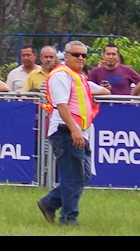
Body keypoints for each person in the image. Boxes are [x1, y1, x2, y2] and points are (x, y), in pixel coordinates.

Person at [38, 42, 98, 227]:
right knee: (74, 176)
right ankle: (69, 218)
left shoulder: (77, 76)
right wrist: (75, 131)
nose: (81, 58)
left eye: (83, 55)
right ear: (66, 56)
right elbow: (62, 106)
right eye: (76, 54)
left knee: (83, 174)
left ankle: (50, 202)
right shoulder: (61, 75)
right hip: (66, 131)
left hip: (78, 131)